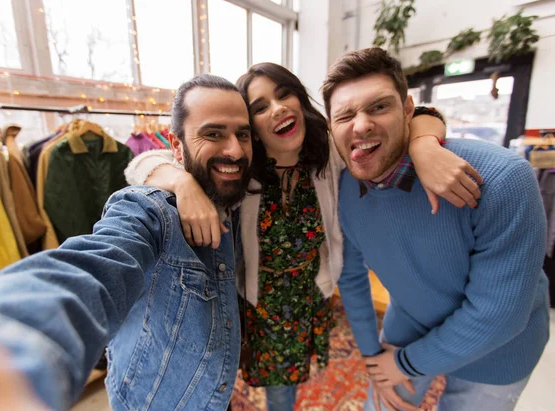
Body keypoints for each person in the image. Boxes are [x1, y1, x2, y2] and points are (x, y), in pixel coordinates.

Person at [125, 62, 483, 410]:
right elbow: (141, 163)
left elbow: (420, 112)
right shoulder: (238, 169)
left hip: (310, 300)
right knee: (255, 384)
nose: (278, 108)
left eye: (285, 95)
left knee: (291, 387)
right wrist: (182, 182)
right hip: (258, 307)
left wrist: (424, 144)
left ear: (299, 100)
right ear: (251, 128)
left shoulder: (332, 151)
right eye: (261, 107)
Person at [0, 74, 253, 411]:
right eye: (213, 134)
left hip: (215, 391)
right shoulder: (150, 211)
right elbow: (93, 269)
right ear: (176, 144)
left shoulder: (238, 196)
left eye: (242, 134)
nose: (235, 149)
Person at [322, 47, 550, 411]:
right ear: (331, 128)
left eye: (379, 106)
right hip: (410, 322)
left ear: (409, 110)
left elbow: (499, 316)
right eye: (345, 115)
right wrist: (372, 357)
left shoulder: (503, 179)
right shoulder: (345, 189)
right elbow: (350, 277)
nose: (361, 124)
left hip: (500, 354)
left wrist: (402, 364)